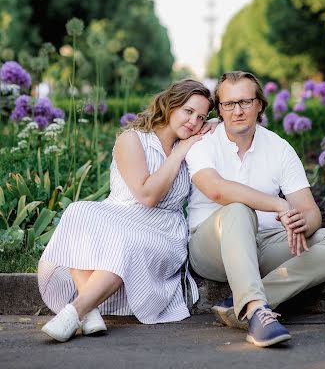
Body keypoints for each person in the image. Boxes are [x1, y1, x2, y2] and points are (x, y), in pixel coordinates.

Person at [185, 71, 325, 348]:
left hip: (264, 245)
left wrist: (300, 222)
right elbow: (217, 189)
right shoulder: (202, 143)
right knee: (238, 209)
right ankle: (257, 311)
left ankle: (240, 306)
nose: (237, 111)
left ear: (260, 105)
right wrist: (278, 204)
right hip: (211, 248)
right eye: (228, 104)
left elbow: (311, 212)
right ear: (219, 109)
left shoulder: (279, 148)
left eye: (245, 101)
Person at [39, 79, 213, 342]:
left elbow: (233, 125)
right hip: (118, 218)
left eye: (201, 117)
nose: (194, 122)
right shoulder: (132, 139)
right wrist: (179, 154)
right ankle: (89, 311)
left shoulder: (193, 146)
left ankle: (76, 311)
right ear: (170, 105)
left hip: (163, 232)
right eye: (188, 111)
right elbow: (147, 195)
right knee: (77, 211)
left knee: (124, 241)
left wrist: (205, 132)